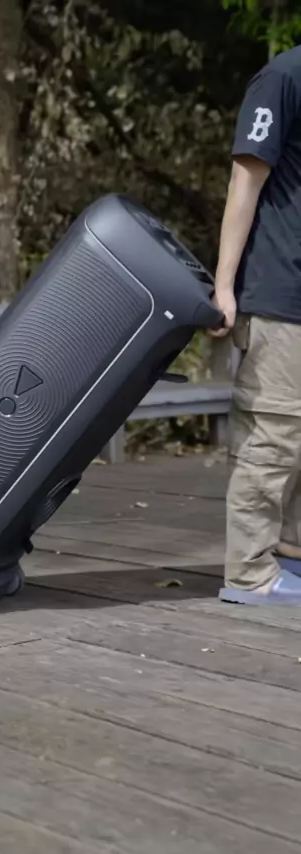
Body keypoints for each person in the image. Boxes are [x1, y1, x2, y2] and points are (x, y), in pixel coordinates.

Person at [212, 45, 301, 604]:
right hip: (279, 291)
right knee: (274, 431)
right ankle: (249, 574)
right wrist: (224, 285)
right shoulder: (284, 77)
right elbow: (244, 181)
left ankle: (291, 551)